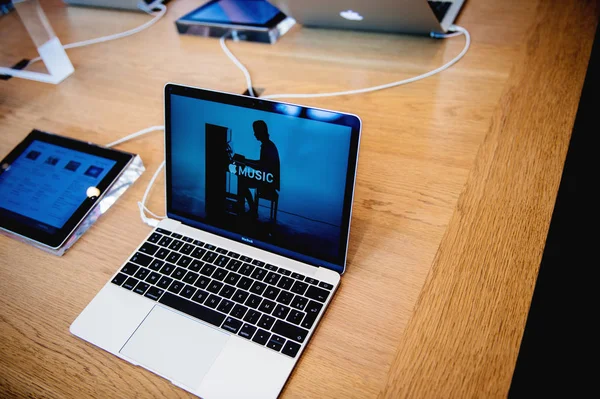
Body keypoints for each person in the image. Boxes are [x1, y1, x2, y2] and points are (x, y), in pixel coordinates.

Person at [234, 120, 280, 218]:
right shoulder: (268, 145)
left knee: (242, 181)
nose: (254, 134)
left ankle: (251, 210)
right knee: (242, 178)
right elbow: (262, 164)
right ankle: (252, 209)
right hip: (267, 178)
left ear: (260, 131)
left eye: (255, 131)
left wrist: (245, 161)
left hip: (268, 182)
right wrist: (246, 161)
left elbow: (261, 166)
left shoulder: (267, 147)